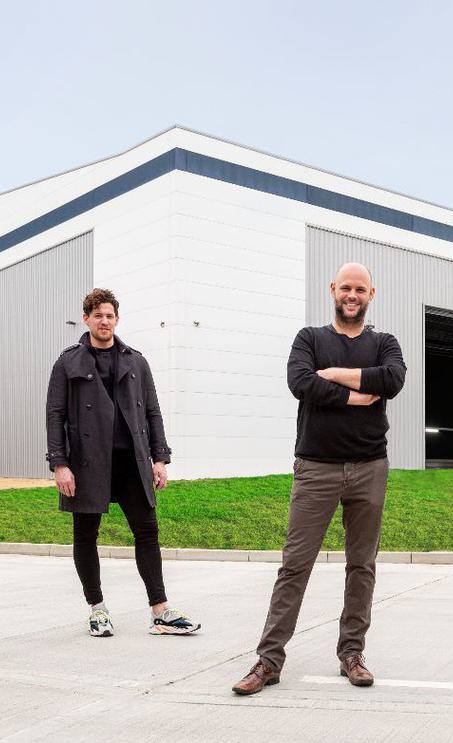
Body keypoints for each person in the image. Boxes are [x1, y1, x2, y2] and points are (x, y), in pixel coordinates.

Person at [232, 263, 406, 695]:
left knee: (361, 566)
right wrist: (356, 394)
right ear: (333, 290)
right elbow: (299, 382)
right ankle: (269, 660)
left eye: (360, 288)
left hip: (370, 467)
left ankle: (352, 653)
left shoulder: (384, 342)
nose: (352, 294)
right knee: (295, 565)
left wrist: (333, 374)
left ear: (371, 293)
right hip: (316, 468)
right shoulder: (309, 338)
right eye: (346, 287)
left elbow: (393, 379)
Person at [46, 288, 200, 638]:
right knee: (86, 536)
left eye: (110, 315)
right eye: (97, 315)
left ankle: (160, 612)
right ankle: (97, 610)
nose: (104, 321)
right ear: (86, 318)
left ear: (117, 319)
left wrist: (160, 458)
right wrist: (60, 464)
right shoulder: (67, 362)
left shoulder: (135, 360)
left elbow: (152, 411)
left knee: (147, 531)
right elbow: (55, 415)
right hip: (85, 463)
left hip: (131, 460)